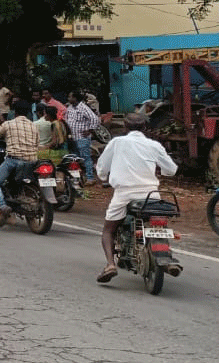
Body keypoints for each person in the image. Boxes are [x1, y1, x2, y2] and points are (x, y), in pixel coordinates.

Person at [94, 111, 177, 283]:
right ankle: (165, 256)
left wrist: (103, 177)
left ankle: (110, 265)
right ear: (145, 127)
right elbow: (171, 169)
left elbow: (102, 167)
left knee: (108, 230)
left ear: (125, 127)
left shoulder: (117, 142)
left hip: (124, 193)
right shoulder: (153, 145)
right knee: (158, 224)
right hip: (151, 194)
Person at [0, 100, 38, 226]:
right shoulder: (34, 125)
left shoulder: (8, 124)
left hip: (14, 160)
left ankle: (2, 206)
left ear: (14, 112)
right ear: (28, 112)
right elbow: (37, 143)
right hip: (32, 161)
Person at [65, 90, 102, 184]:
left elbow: (94, 119)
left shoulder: (83, 107)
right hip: (73, 137)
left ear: (75, 98)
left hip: (82, 137)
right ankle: (78, 178)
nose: (69, 99)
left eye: (70, 97)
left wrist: (90, 130)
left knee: (85, 157)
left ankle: (90, 178)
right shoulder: (70, 108)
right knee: (75, 158)